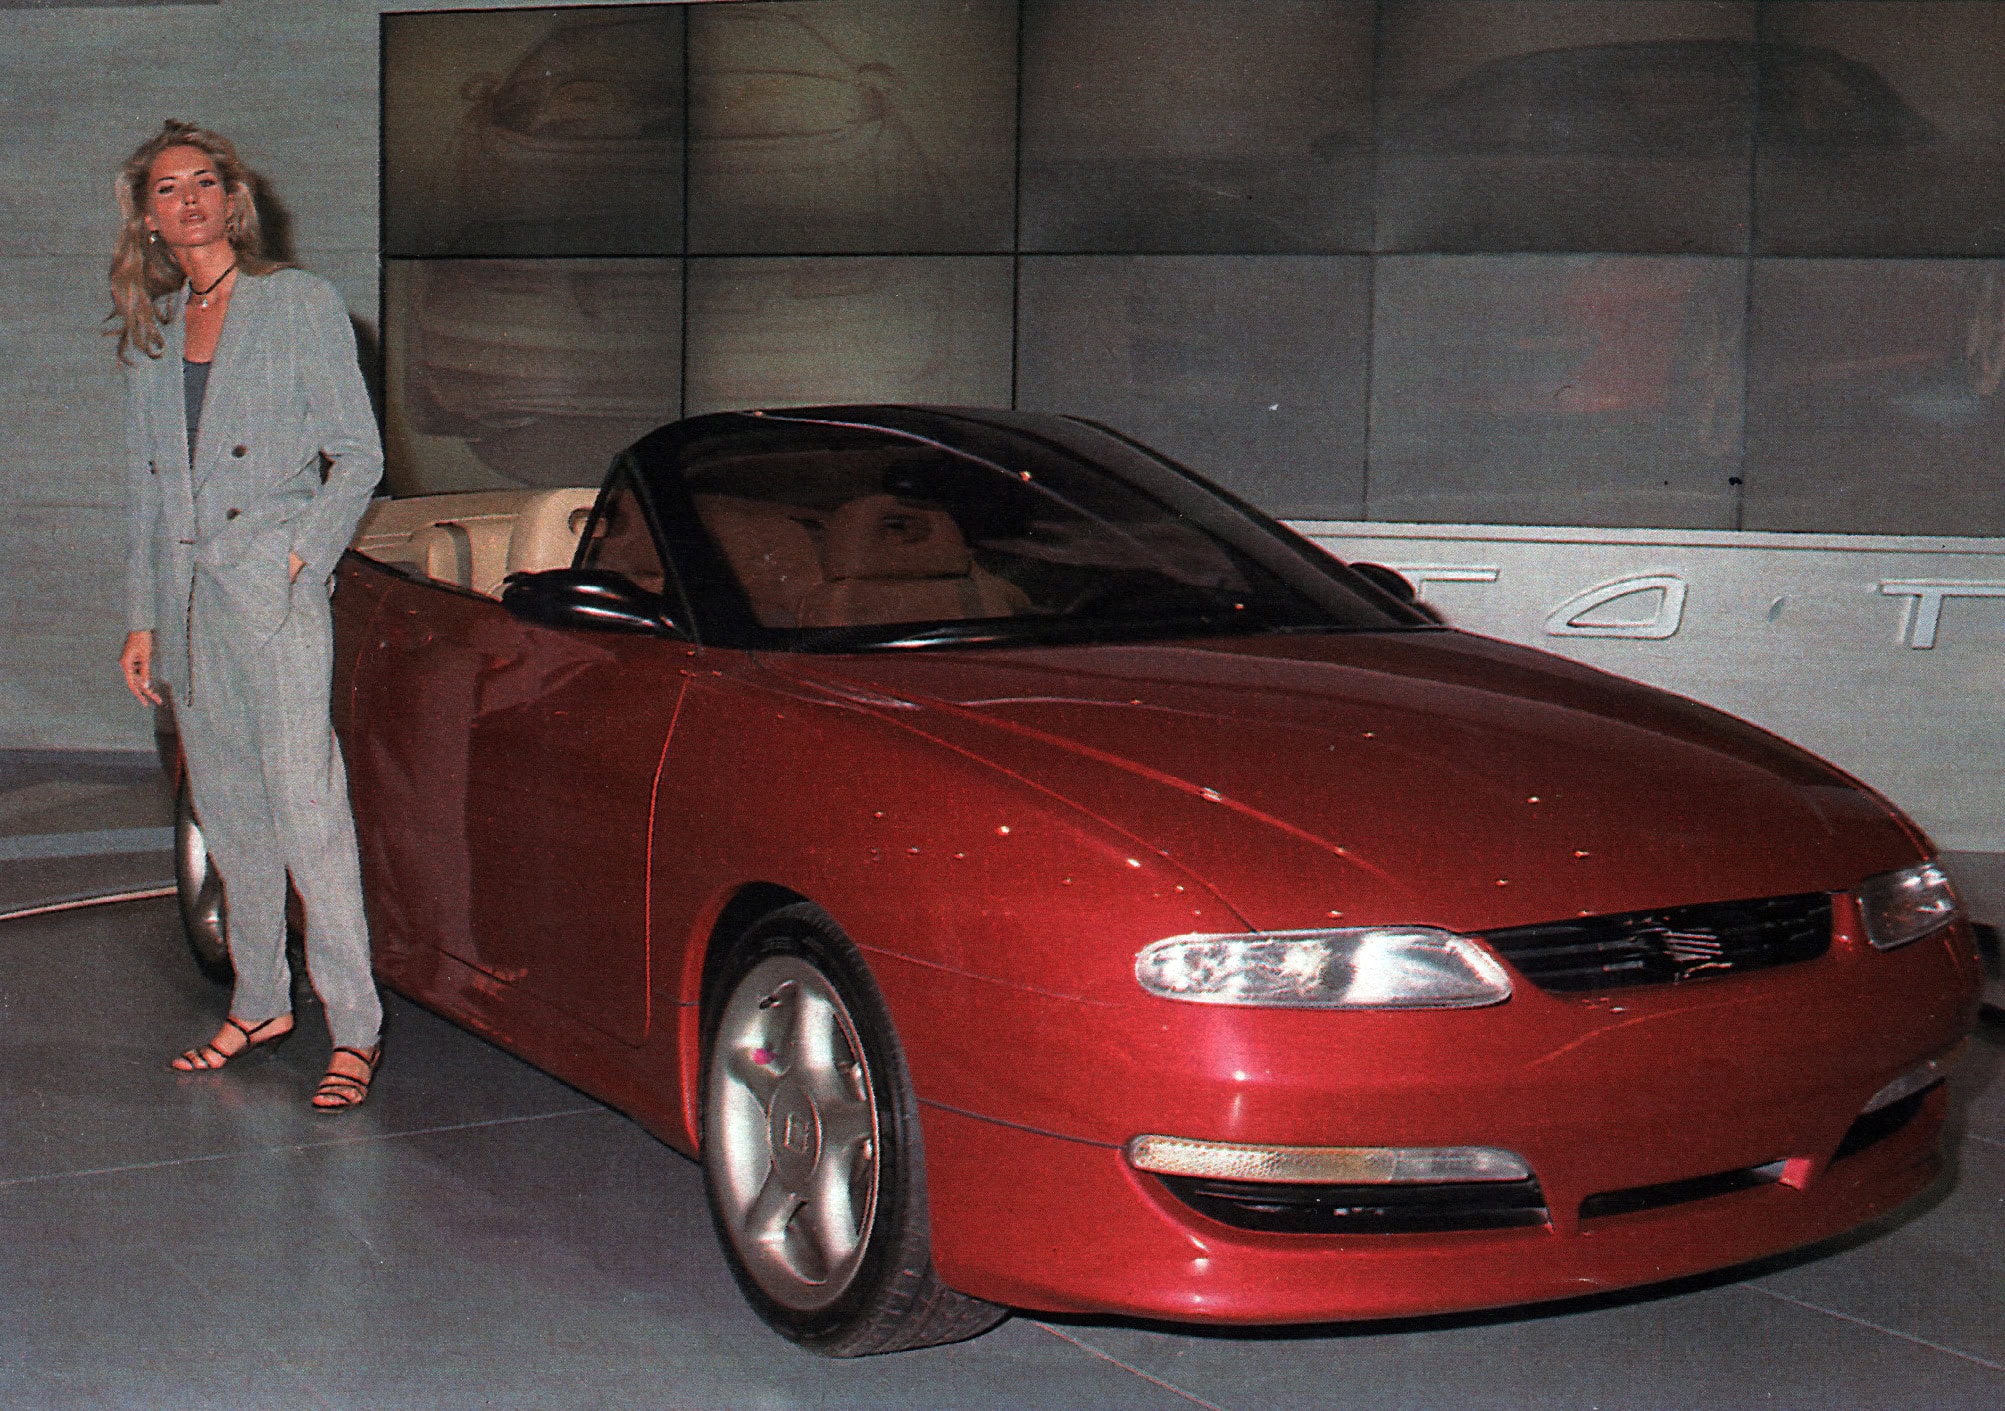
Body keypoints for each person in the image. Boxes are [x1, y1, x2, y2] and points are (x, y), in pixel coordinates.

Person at [111, 120, 384, 1110]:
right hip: (190, 609)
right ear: (147, 218)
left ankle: (354, 1027)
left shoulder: (296, 302)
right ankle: (260, 1000)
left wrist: (300, 560)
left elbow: (359, 455)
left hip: (273, 596)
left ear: (234, 199)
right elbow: (150, 491)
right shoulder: (157, 333)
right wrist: (143, 615)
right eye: (166, 188)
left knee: (310, 817)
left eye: (203, 182)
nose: (187, 199)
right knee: (229, 817)